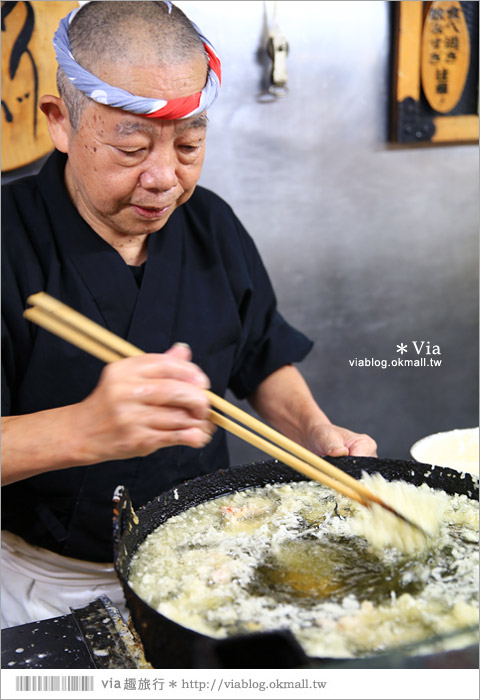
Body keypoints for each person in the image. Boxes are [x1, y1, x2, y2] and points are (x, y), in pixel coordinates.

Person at [1, 1, 377, 628]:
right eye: (130, 147)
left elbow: (262, 357)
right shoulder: (8, 239)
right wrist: (84, 428)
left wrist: (318, 435)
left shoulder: (211, 224)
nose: (164, 180)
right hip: (47, 590)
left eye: (189, 144)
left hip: (206, 565)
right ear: (61, 123)